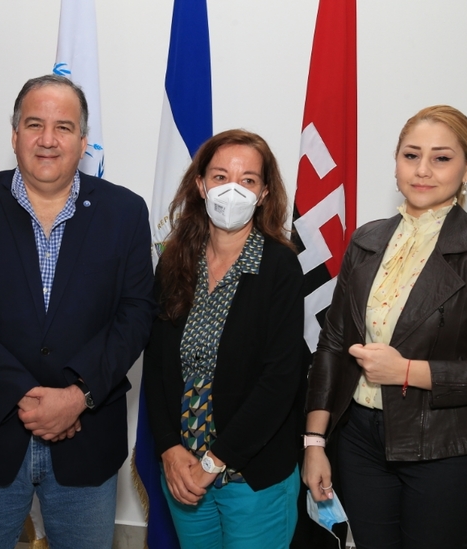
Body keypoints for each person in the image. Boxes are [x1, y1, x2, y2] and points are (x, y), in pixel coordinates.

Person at [0, 74, 155, 549]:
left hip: (86, 438)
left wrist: (77, 396)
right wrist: (22, 393)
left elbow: (135, 315)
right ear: (14, 135)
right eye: (34, 124)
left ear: (83, 142)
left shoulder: (125, 212)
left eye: (63, 127)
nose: (48, 139)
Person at [302, 105, 467, 549]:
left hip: (446, 449)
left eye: (442, 158)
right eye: (411, 155)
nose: (423, 170)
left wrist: (409, 372)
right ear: (396, 162)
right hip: (358, 443)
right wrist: (314, 441)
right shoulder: (366, 239)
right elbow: (332, 345)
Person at [143, 129, 307, 549]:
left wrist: (213, 462)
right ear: (200, 185)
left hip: (251, 478)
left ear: (264, 193)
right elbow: (156, 366)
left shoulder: (280, 267)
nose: (232, 189)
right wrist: (169, 449)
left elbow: (280, 381)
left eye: (248, 180)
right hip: (183, 475)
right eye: (220, 176)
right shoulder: (174, 261)